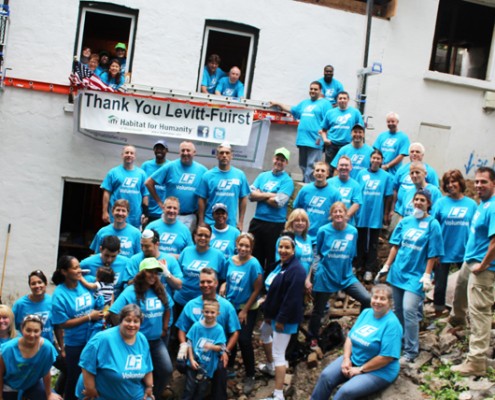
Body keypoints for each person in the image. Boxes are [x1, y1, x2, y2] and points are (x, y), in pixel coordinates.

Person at [380, 189, 444, 363]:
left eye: (422, 200)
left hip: (416, 275)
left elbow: (433, 253)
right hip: (398, 272)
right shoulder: (406, 221)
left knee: (409, 310)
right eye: (416, 200)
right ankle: (398, 343)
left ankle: (411, 351)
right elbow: (395, 246)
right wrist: (387, 265)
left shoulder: (433, 224)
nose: (418, 203)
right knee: (398, 311)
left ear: (428, 204)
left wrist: (427, 274)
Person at [311, 284, 402, 400]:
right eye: (375, 297)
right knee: (326, 376)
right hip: (355, 359)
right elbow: (350, 337)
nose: (378, 301)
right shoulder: (366, 313)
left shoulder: (392, 324)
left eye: (382, 299)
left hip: (379, 371)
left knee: (345, 392)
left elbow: (386, 357)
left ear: (390, 302)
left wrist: (360, 369)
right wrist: (346, 359)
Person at [449, 167, 495, 376]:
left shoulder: (493, 207)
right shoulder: (482, 205)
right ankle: (457, 323)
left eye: (483, 182)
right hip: (470, 262)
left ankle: (476, 361)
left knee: (480, 312)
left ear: (493, 183)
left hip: (482, 268)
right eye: (476, 182)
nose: (478, 185)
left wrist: (484, 265)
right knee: (459, 294)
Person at [307, 202, 371, 348]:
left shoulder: (353, 231)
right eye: (335, 212)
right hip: (326, 276)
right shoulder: (323, 230)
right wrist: (317, 269)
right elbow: (318, 252)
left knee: (366, 299)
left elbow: (352, 253)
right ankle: (312, 338)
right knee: (318, 310)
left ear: (345, 213)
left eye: (340, 211)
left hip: (346, 276)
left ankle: (360, 330)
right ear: (331, 215)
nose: (338, 214)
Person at [109, 258, 172, 398]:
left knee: (166, 369)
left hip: (155, 341)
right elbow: (113, 312)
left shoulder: (160, 290)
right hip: (135, 343)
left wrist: (165, 327)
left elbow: (168, 308)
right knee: (136, 373)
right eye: (150, 272)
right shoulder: (130, 291)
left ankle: (153, 395)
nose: (153, 276)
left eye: (156, 273)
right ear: (142, 273)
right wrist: (124, 331)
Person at [176, 268, 241, 400]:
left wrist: (226, 351)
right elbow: (181, 329)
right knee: (181, 363)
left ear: (216, 283)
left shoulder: (226, 306)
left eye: (209, 282)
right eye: (202, 282)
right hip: (193, 349)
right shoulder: (191, 305)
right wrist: (183, 345)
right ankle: (191, 384)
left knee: (220, 367)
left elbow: (235, 333)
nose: (205, 285)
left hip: (215, 351)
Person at [260, 232, 306, 400]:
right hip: (272, 315)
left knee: (279, 353)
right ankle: (271, 365)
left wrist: (280, 320)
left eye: (287, 247)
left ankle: (278, 394)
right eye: (281, 246)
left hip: (284, 319)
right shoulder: (280, 265)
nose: (283, 250)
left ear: (294, 250)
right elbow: (274, 292)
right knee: (264, 332)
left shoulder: (297, 270)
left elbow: (291, 299)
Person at [51, 256, 104, 400]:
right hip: (75, 343)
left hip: (93, 339)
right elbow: (62, 323)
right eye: (74, 268)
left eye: (79, 266)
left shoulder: (87, 282)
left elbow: (100, 299)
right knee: (74, 377)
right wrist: (88, 317)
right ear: (64, 271)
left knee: (92, 376)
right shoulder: (59, 295)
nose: (79, 270)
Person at [75, 304, 154, 400]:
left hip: (133, 392)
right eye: (128, 320)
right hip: (103, 394)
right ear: (120, 321)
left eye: (136, 321)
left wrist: (149, 387)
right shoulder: (103, 338)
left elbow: (147, 367)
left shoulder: (142, 339)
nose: (132, 325)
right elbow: (86, 363)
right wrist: (90, 389)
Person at [219, 233, 263, 395]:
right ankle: (229, 366)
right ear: (236, 245)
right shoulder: (230, 260)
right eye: (241, 245)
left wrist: (244, 310)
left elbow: (257, 288)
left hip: (248, 307)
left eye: (247, 246)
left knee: (244, 339)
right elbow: (225, 278)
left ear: (251, 248)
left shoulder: (254, 264)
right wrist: (223, 285)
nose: (243, 248)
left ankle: (251, 374)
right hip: (231, 305)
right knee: (230, 335)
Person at [431, 170, 477, 317]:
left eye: (454, 182)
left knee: (467, 284)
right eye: (447, 183)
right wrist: (434, 251)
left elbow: (476, 228)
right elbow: (433, 228)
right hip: (443, 251)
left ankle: (465, 314)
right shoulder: (440, 203)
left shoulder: (471, 204)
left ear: (460, 183)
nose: (451, 185)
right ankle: (438, 314)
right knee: (439, 286)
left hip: (465, 251)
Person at [13, 270, 66, 395]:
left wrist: (62, 347)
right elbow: (12, 326)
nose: (37, 286)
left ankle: (59, 392)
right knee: (35, 379)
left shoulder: (52, 302)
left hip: (48, 346)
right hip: (28, 348)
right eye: (33, 283)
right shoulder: (20, 304)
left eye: (40, 282)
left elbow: (57, 326)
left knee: (69, 368)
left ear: (46, 283)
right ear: (30, 286)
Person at [270, 82, 331, 183]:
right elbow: (292, 110)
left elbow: (329, 120)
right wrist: (278, 103)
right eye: (311, 89)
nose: (313, 91)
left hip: (315, 140)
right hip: (302, 140)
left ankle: (310, 187)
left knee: (312, 167)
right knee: (303, 165)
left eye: (315, 89)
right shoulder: (304, 103)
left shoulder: (325, 104)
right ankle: (306, 184)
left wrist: (326, 136)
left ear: (320, 91)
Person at [249, 147, 294, 272]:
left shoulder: (287, 181)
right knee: (254, 256)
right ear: (273, 159)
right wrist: (271, 194)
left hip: (275, 225)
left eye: (282, 160)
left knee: (271, 258)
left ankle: (267, 288)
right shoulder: (262, 176)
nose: (279, 162)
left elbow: (279, 202)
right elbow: (251, 195)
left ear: (286, 163)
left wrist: (261, 194)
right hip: (258, 222)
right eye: (277, 159)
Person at [146, 140, 207, 231]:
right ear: (179, 152)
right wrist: (160, 202)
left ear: (194, 153)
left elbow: (206, 194)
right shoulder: (170, 166)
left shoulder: (203, 170)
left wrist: (201, 219)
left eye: (188, 150)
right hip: (170, 214)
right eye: (183, 150)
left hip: (190, 216)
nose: (185, 153)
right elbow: (149, 183)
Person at [0, 314, 62, 400]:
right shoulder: (8, 349)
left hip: (32, 382)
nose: (32, 335)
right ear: (22, 329)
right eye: (28, 330)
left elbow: (46, 372)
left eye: (36, 331)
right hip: (10, 385)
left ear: (41, 331)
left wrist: (49, 394)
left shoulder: (46, 348)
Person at [355, 149, 393, 282]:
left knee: (373, 243)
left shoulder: (386, 176)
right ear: (370, 159)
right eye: (374, 158)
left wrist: (386, 213)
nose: (376, 160)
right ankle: (358, 265)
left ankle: (369, 269)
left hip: (376, 214)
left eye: (379, 158)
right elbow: (357, 193)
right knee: (360, 240)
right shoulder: (361, 174)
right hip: (362, 213)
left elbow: (388, 196)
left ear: (382, 160)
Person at [173, 224, 226, 315]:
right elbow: (178, 273)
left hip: (206, 304)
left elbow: (224, 278)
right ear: (194, 236)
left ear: (210, 238)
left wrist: (224, 284)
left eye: (206, 236)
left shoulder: (218, 255)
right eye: (200, 235)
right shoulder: (186, 251)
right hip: (182, 300)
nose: (203, 238)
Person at [197, 143, 250, 230]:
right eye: (221, 153)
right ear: (217, 156)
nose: (224, 155)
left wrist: (240, 222)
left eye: (227, 153)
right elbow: (201, 199)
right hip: (210, 223)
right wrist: (201, 221)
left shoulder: (240, 175)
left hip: (230, 223)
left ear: (231, 155)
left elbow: (243, 198)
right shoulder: (207, 175)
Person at [182, 299, 226, 400]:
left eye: (212, 312)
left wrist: (211, 346)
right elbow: (190, 342)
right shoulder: (196, 326)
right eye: (206, 312)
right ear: (202, 312)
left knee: (202, 389)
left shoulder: (219, 329)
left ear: (217, 313)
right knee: (189, 387)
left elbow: (221, 347)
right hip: (194, 362)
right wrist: (191, 359)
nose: (209, 315)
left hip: (208, 366)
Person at [293, 161, 341, 245]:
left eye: (323, 171)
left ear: (327, 174)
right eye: (317, 170)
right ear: (313, 173)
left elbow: (338, 216)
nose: (320, 173)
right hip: (303, 237)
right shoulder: (305, 190)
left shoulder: (335, 194)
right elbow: (296, 210)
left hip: (323, 238)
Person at [101, 145, 149, 228]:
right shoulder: (113, 172)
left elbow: (145, 195)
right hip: (117, 214)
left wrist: (145, 213)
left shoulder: (142, 174)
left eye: (131, 153)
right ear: (122, 155)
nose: (129, 155)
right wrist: (104, 212)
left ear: (135, 156)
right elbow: (106, 193)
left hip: (135, 216)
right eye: (127, 152)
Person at [319, 91, 364, 173]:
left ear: (348, 100)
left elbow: (361, 130)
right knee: (329, 169)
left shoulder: (355, 113)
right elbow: (323, 130)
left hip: (348, 146)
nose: (342, 100)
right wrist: (325, 139)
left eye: (344, 98)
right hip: (332, 145)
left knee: (345, 168)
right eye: (340, 98)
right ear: (337, 100)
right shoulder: (330, 113)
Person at [275, 209, 313, 275]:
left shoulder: (308, 238)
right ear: (291, 222)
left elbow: (310, 262)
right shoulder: (284, 239)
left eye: (303, 220)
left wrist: (308, 279)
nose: (300, 223)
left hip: (305, 280)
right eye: (297, 220)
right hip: (291, 277)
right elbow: (280, 262)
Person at [328, 155, 362, 226]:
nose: (344, 167)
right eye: (341, 165)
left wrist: (344, 218)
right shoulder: (329, 183)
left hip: (348, 224)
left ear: (351, 167)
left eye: (346, 165)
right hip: (330, 223)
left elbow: (356, 204)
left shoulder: (355, 185)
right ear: (337, 167)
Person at [141, 139, 169, 224]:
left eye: (162, 148)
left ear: (167, 151)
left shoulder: (170, 166)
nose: (159, 150)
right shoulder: (146, 165)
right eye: (157, 148)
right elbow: (141, 187)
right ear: (154, 150)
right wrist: (144, 211)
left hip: (164, 212)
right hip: (147, 211)